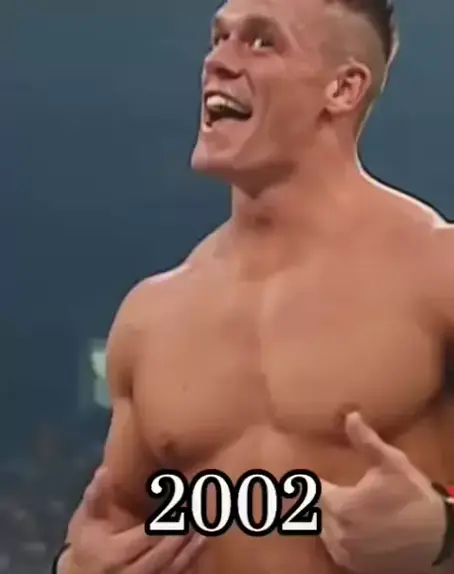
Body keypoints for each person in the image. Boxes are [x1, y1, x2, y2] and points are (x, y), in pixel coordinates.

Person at [57, 0, 454, 572]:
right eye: (219, 37)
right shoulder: (151, 316)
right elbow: (110, 522)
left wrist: (443, 531)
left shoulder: (438, 271)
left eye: (262, 41)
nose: (218, 61)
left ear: (343, 88)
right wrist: (76, 567)